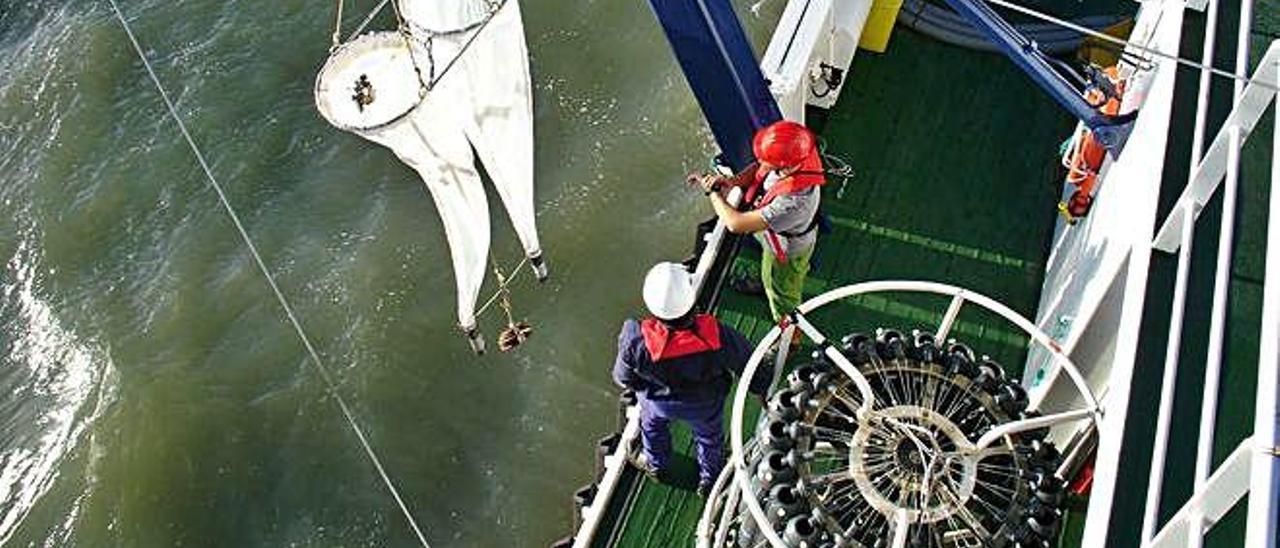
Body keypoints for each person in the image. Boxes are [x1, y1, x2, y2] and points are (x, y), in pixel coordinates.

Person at [612, 262, 769, 496]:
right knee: (709, 438)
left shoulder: (635, 340)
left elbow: (622, 378)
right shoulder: (718, 336)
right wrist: (761, 390)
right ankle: (710, 479)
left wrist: (644, 387)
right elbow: (749, 363)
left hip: (658, 403)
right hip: (705, 404)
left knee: (651, 428)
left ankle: (656, 465)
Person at [690, 120, 824, 322]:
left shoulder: (794, 201)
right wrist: (731, 182)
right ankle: (770, 281)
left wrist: (713, 193)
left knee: (784, 297)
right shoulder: (799, 153)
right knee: (777, 274)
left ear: (782, 166)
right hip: (783, 233)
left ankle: (788, 339)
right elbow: (759, 169)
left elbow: (736, 224)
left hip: (786, 250)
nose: (761, 161)